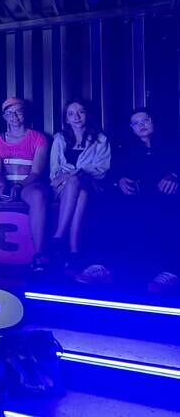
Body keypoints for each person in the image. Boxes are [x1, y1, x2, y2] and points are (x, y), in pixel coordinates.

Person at [76, 108, 179, 292]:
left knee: (166, 212)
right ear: (132, 128)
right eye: (136, 123)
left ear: (153, 121)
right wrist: (120, 180)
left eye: (145, 120)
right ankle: (100, 265)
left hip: (166, 195)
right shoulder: (127, 148)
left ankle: (169, 272)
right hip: (136, 196)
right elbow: (116, 172)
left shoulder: (172, 143)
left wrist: (174, 175)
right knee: (105, 208)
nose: (141, 125)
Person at [0, 98, 49, 271]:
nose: (14, 116)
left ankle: (39, 255)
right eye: (9, 113)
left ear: (24, 113)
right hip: (3, 184)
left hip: (27, 185)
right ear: (4, 116)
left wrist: (18, 187)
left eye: (18, 111)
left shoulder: (38, 138)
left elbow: (36, 172)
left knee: (38, 196)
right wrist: (2, 185)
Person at [48, 99, 111, 269]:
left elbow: (102, 169)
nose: (76, 117)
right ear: (66, 119)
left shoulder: (100, 139)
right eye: (71, 114)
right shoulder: (59, 139)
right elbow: (54, 171)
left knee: (77, 182)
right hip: (63, 188)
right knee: (80, 192)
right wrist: (68, 177)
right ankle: (74, 250)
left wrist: (73, 174)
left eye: (80, 112)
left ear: (87, 115)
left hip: (92, 184)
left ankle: (58, 236)